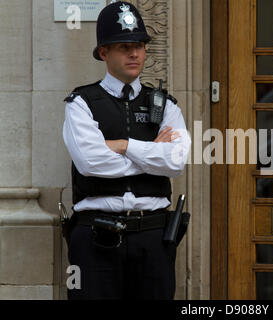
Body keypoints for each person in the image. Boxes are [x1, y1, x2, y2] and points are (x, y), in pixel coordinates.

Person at [62, 1, 191, 300]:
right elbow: (91, 162)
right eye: (123, 46)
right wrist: (150, 156)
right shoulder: (81, 102)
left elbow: (176, 162)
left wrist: (123, 146)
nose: (134, 53)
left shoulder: (165, 104)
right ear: (104, 53)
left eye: (139, 45)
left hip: (153, 236)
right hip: (96, 237)